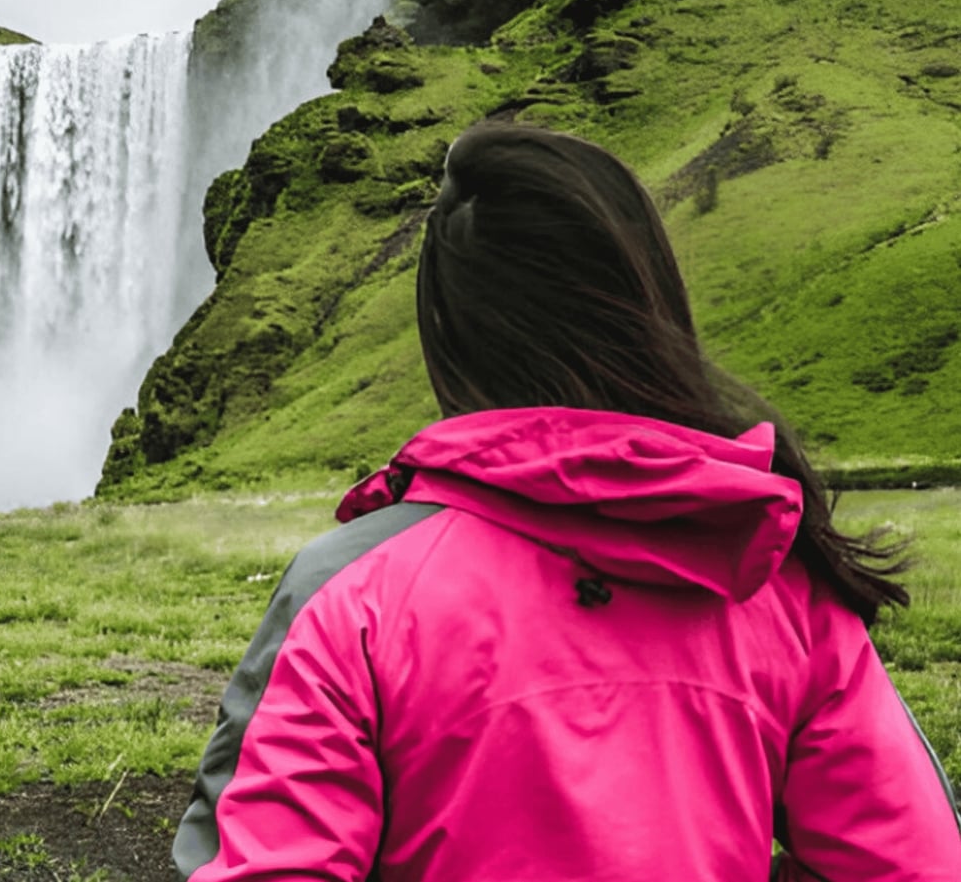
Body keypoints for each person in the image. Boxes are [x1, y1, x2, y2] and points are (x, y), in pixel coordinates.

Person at [172, 121, 961, 881]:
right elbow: (914, 861)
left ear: (449, 328)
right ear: (650, 300)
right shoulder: (777, 576)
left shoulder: (349, 591)